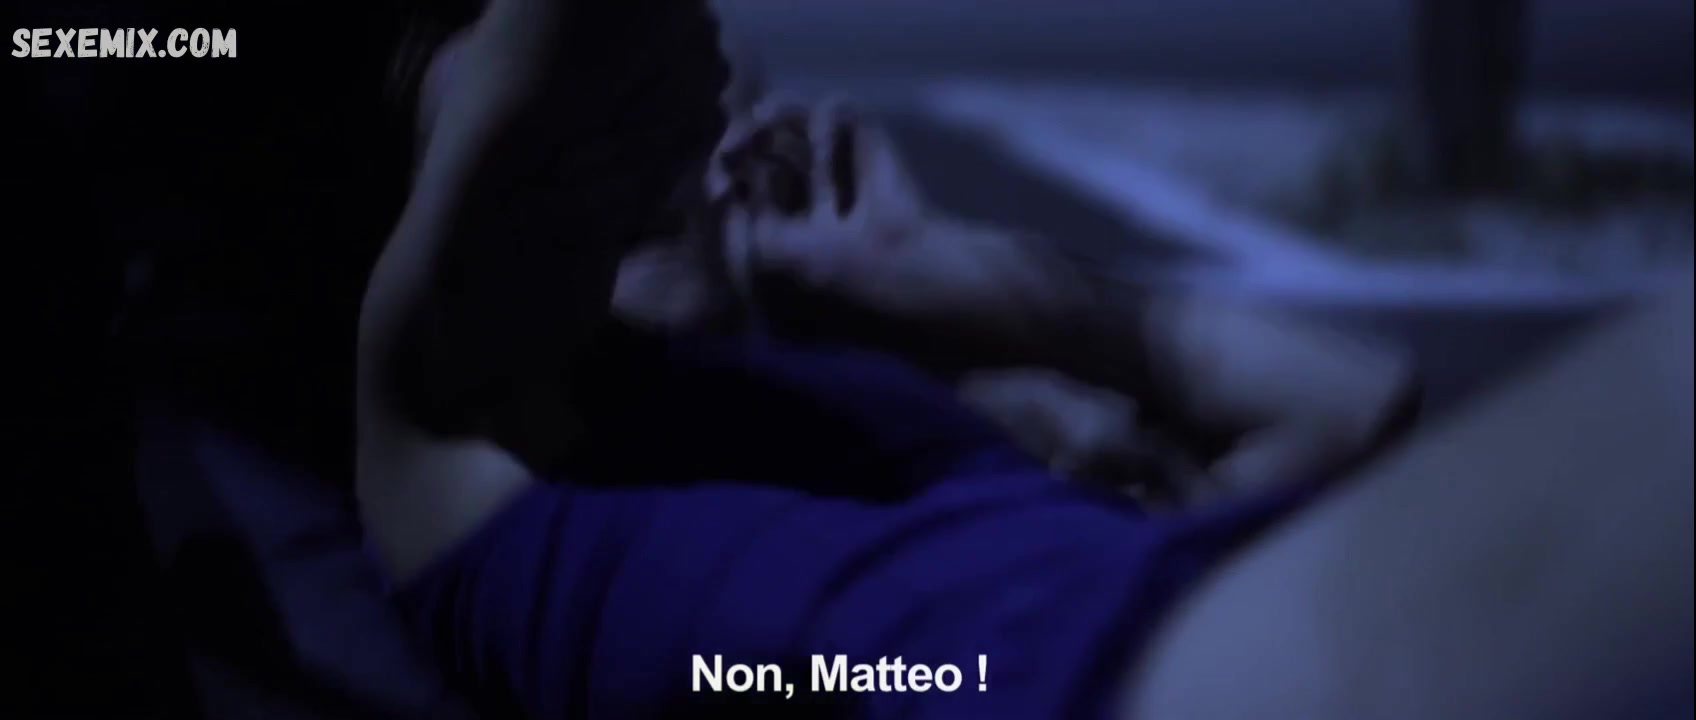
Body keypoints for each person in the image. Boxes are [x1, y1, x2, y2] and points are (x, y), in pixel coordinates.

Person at [357, 2, 1693, 718]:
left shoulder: (877, 402)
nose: (646, 165)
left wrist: (961, 281)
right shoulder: (455, 456)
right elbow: (564, 56)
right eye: (567, 160)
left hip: (1192, 637)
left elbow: (1361, 413)